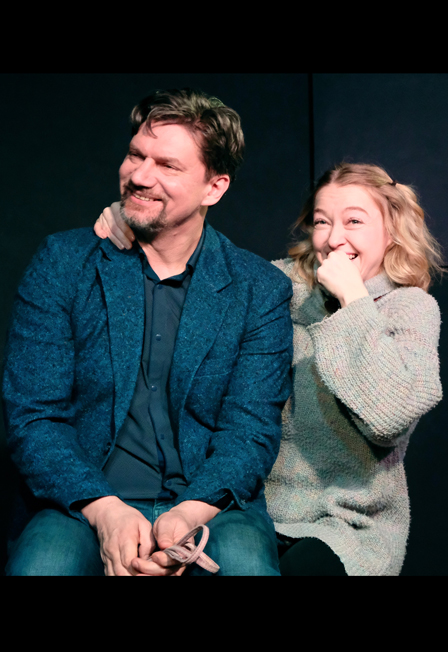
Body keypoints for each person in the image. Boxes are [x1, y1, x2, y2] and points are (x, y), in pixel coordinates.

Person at [97, 162, 444, 576]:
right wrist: (138, 220)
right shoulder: (279, 287)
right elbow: (203, 267)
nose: (334, 238)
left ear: (391, 230)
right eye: (322, 221)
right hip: (249, 507)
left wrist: (353, 299)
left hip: (347, 523)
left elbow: (389, 418)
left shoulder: (410, 308)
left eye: (354, 221)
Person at [3, 88, 293, 576]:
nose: (139, 175)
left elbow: (250, 432)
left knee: (246, 565)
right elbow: (34, 416)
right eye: (136, 155)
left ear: (214, 188)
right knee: (43, 566)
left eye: (167, 165)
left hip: (209, 506)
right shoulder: (64, 263)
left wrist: (189, 512)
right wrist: (104, 509)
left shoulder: (258, 288)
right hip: (82, 501)